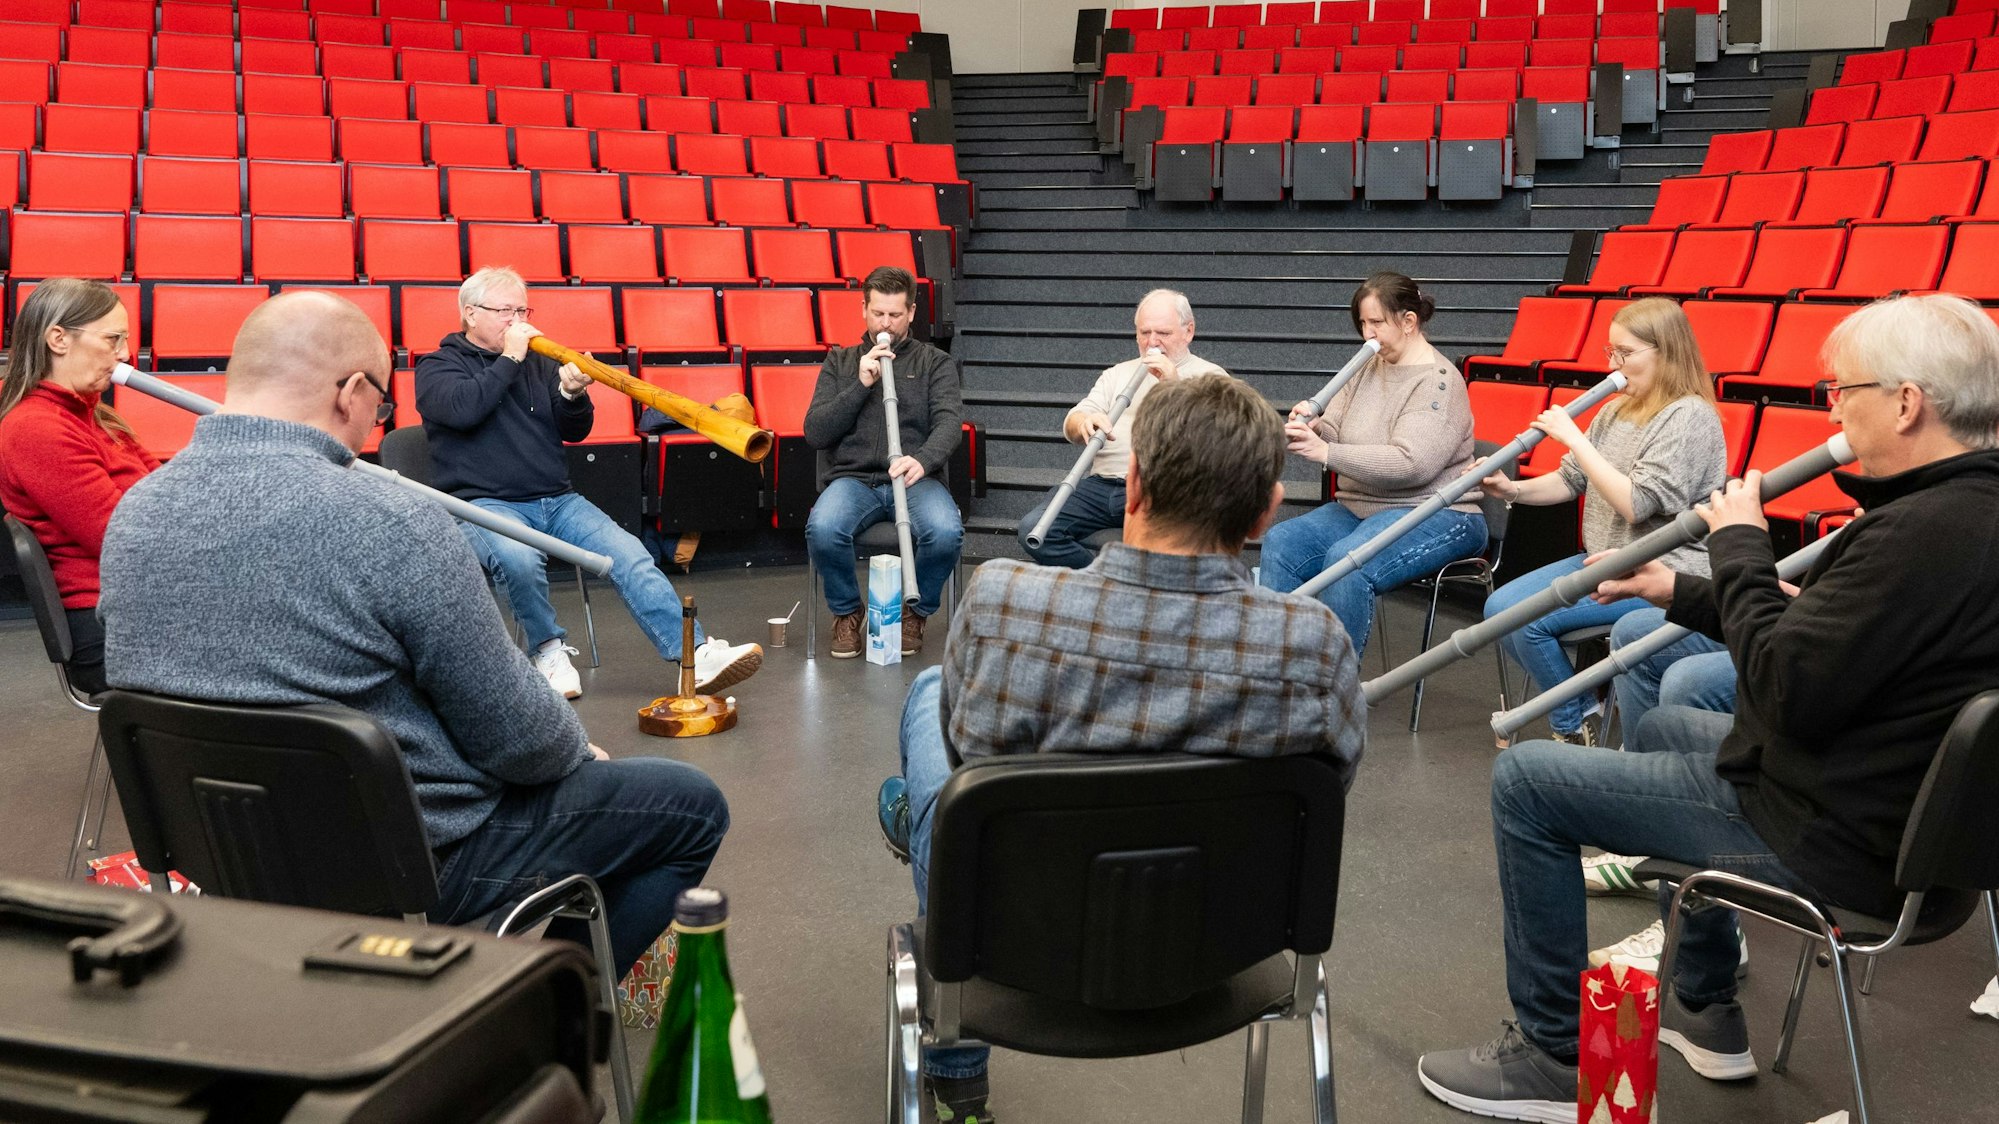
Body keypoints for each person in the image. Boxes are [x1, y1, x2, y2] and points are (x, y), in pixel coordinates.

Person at [1417, 294, 1999, 1123]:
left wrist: (1737, 547)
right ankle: (1703, 1005)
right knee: (1661, 723)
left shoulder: (1919, 531)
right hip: (1885, 808)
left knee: (1528, 783)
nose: (1833, 407)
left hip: (1833, 837)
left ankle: (1554, 1061)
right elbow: (1839, 649)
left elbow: (1783, 689)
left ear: (1905, 403)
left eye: (1842, 391)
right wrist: (1687, 590)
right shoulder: (1968, 516)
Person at [97, 291, 730, 975]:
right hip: (399, 868)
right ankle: (544, 1013)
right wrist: (575, 751)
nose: (376, 424)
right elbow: (521, 741)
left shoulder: (135, 514)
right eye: (380, 409)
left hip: (222, 858)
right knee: (688, 805)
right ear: (352, 392)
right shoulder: (391, 520)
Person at [875, 375, 1367, 1124]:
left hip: (1017, 953)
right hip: (1223, 953)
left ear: (1131, 483)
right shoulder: (1314, 645)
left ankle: (951, 1049)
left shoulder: (1003, 599)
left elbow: (970, 743)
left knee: (933, 713)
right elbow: (1332, 787)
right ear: (1268, 510)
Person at [415, 267, 761, 700]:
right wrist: (510, 360)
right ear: (470, 313)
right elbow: (465, 409)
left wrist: (572, 396)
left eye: (523, 309)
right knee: (519, 560)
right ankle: (548, 651)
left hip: (556, 498)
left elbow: (573, 431)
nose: (518, 320)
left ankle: (694, 654)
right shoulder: (437, 367)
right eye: (506, 310)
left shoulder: (537, 362)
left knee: (629, 554)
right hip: (484, 505)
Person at [1478, 298, 1728, 744]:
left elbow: (1638, 503)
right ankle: (1581, 709)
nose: (1614, 364)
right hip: (1602, 559)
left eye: (1625, 353)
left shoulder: (1690, 416)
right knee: (1500, 610)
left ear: (1665, 351)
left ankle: (1571, 729)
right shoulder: (1616, 408)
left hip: (1662, 573)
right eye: (1610, 351)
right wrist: (1513, 490)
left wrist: (1573, 435)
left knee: (1531, 622)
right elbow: (1571, 478)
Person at [1258, 272, 1486, 655]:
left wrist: (1326, 452)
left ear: (1409, 322)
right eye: (1363, 323)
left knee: (1348, 562)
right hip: (1363, 506)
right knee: (1283, 542)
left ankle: (1333, 689)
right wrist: (1314, 428)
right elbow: (1336, 430)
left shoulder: (1439, 382)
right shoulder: (1367, 365)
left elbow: (1412, 464)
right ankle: (1281, 670)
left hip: (1437, 511)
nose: (1368, 333)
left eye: (1377, 323)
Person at [0, 279, 156, 696]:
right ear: (58, 339)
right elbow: (123, 538)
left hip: (140, 603)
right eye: (113, 339)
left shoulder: (98, 419)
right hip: (109, 623)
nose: (124, 354)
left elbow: (164, 495)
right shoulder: (36, 428)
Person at [803, 266, 964, 658]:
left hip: (915, 479)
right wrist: (860, 385)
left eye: (894, 315)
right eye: (878, 314)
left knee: (946, 533)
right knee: (822, 529)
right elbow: (816, 432)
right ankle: (847, 612)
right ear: (863, 309)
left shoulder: (935, 362)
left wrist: (922, 461)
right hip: (854, 481)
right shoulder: (840, 362)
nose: (885, 324)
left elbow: (949, 424)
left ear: (911, 312)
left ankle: (915, 612)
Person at [1014, 289, 1228, 568]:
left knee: (1168, 549)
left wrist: (1172, 386)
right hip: (1104, 484)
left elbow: (1214, 444)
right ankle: (1099, 583)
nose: (1152, 342)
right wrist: (1083, 422)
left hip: (1167, 489)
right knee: (1035, 529)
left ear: (1188, 332)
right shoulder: (1117, 373)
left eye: (1162, 333)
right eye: (1144, 333)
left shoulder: (1213, 378)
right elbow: (1073, 420)